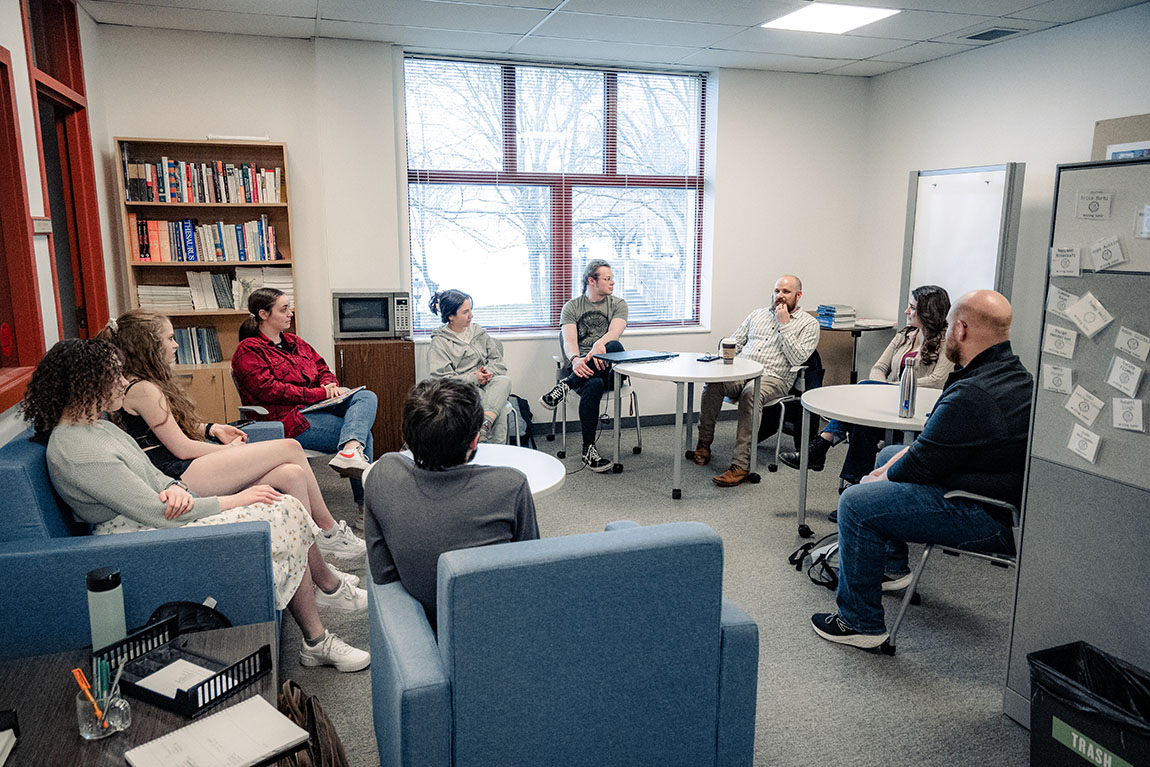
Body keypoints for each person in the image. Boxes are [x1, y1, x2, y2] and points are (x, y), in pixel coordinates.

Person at [23, 339, 371, 672]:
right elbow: (153, 512)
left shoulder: (98, 427)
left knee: (283, 505)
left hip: (157, 514)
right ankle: (318, 635)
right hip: (138, 534)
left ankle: (317, 634)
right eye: (114, 375)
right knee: (279, 506)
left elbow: (154, 479)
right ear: (87, 382)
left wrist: (174, 488)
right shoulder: (76, 450)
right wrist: (235, 500)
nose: (122, 383)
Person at [811, 290, 1033, 649]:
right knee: (889, 455)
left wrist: (875, 480)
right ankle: (894, 569)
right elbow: (927, 447)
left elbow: (921, 462)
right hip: (989, 491)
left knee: (856, 501)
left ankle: (859, 622)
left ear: (961, 329)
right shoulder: (1011, 373)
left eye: (949, 329)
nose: (946, 334)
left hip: (986, 515)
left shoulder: (974, 394)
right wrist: (888, 469)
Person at [97, 310, 365, 560]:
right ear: (149, 346)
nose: (176, 344)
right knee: (290, 448)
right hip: (175, 473)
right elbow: (181, 448)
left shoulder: (141, 384)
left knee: (291, 474)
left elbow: (162, 429)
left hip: (178, 465)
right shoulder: (143, 388)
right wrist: (232, 452)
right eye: (169, 339)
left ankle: (311, 557)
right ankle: (328, 531)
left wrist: (212, 428)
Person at [364, 377, 540, 632]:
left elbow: (382, 572)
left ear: (406, 436)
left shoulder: (382, 474)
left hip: (423, 625)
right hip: (500, 624)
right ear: (474, 440)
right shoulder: (510, 485)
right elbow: (531, 572)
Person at [779, 285, 954, 486]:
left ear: (928, 312)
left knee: (862, 401)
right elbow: (879, 367)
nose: (907, 311)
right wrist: (880, 390)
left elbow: (937, 381)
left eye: (912, 308)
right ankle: (854, 487)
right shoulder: (905, 335)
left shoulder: (947, 341)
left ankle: (823, 446)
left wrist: (889, 388)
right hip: (889, 404)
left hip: (916, 410)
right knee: (863, 418)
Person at [231, 288, 378, 525]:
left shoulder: (295, 342)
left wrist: (329, 383)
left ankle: (351, 450)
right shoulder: (248, 350)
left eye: (289, 307)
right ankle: (365, 505)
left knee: (366, 396)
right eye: (284, 309)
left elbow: (322, 368)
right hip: (287, 419)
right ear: (263, 314)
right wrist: (319, 393)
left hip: (318, 406)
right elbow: (270, 389)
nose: (290, 313)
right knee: (364, 435)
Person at [694, 274, 820, 487]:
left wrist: (785, 325)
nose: (780, 296)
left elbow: (798, 358)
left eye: (786, 292)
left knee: (751, 393)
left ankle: (741, 466)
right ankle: (704, 443)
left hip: (775, 378)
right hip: (741, 372)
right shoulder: (757, 315)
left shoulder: (809, 324)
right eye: (777, 291)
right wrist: (725, 353)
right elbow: (735, 340)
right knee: (714, 383)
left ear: (798, 296)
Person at [537, 259, 627, 472]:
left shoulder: (618, 304)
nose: (612, 282)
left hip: (611, 371)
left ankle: (565, 386)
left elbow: (614, 333)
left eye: (612, 278)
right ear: (591, 281)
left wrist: (600, 343)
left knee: (614, 344)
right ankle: (588, 450)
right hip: (582, 370)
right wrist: (576, 360)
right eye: (607, 279)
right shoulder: (572, 307)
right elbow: (569, 341)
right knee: (593, 383)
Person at [426, 289, 512, 444]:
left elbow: (498, 363)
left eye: (471, 310)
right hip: (463, 388)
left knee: (504, 381)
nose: (471, 316)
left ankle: (483, 428)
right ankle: (494, 450)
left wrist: (488, 373)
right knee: (493, 405)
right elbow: (440, 379)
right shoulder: (440, 342)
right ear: (451, 316)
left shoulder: (479, 333)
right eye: (465, 312)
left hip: (488, 382)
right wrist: (474, 378)